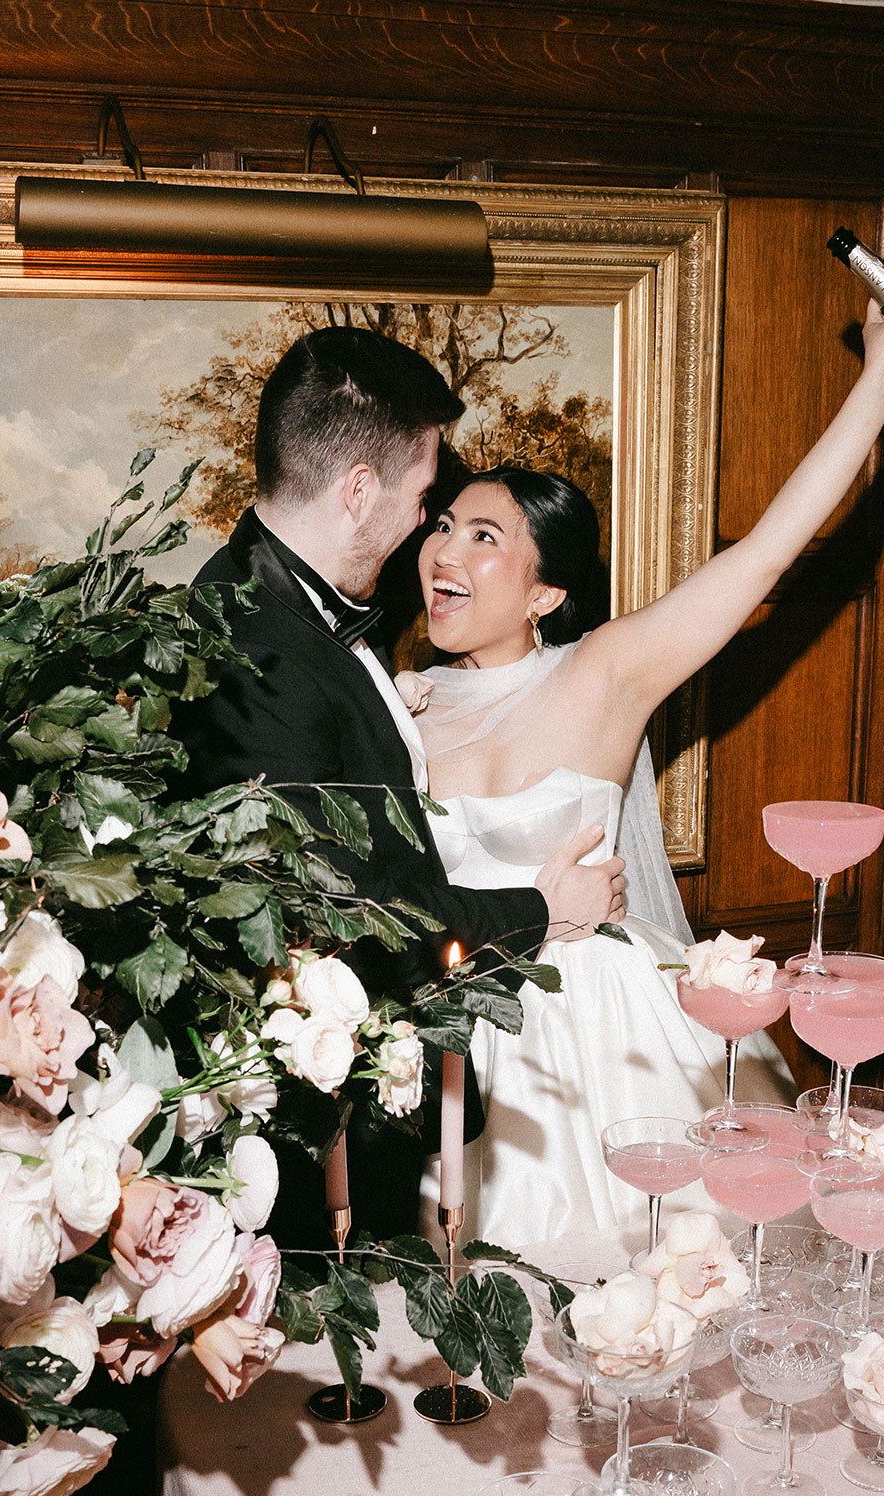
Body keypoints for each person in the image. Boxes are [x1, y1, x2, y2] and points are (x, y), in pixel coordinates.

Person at [412, 287, 884, 1248]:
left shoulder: (604, 672)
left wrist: (880, 375)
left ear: (547, 591)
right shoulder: (398, 703)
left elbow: (769, 554)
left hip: (605, 1039)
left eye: (484, 536)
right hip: (459, 1035)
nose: (443, 549)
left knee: (666, 1274)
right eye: (442, 525)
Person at [178, 326, 626, 1243]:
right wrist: (541, 909)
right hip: (317, 1129)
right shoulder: (264, 652)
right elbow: (351, 915)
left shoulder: (280, 597)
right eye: (426, 498)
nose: (430, 525)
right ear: (357, 490)